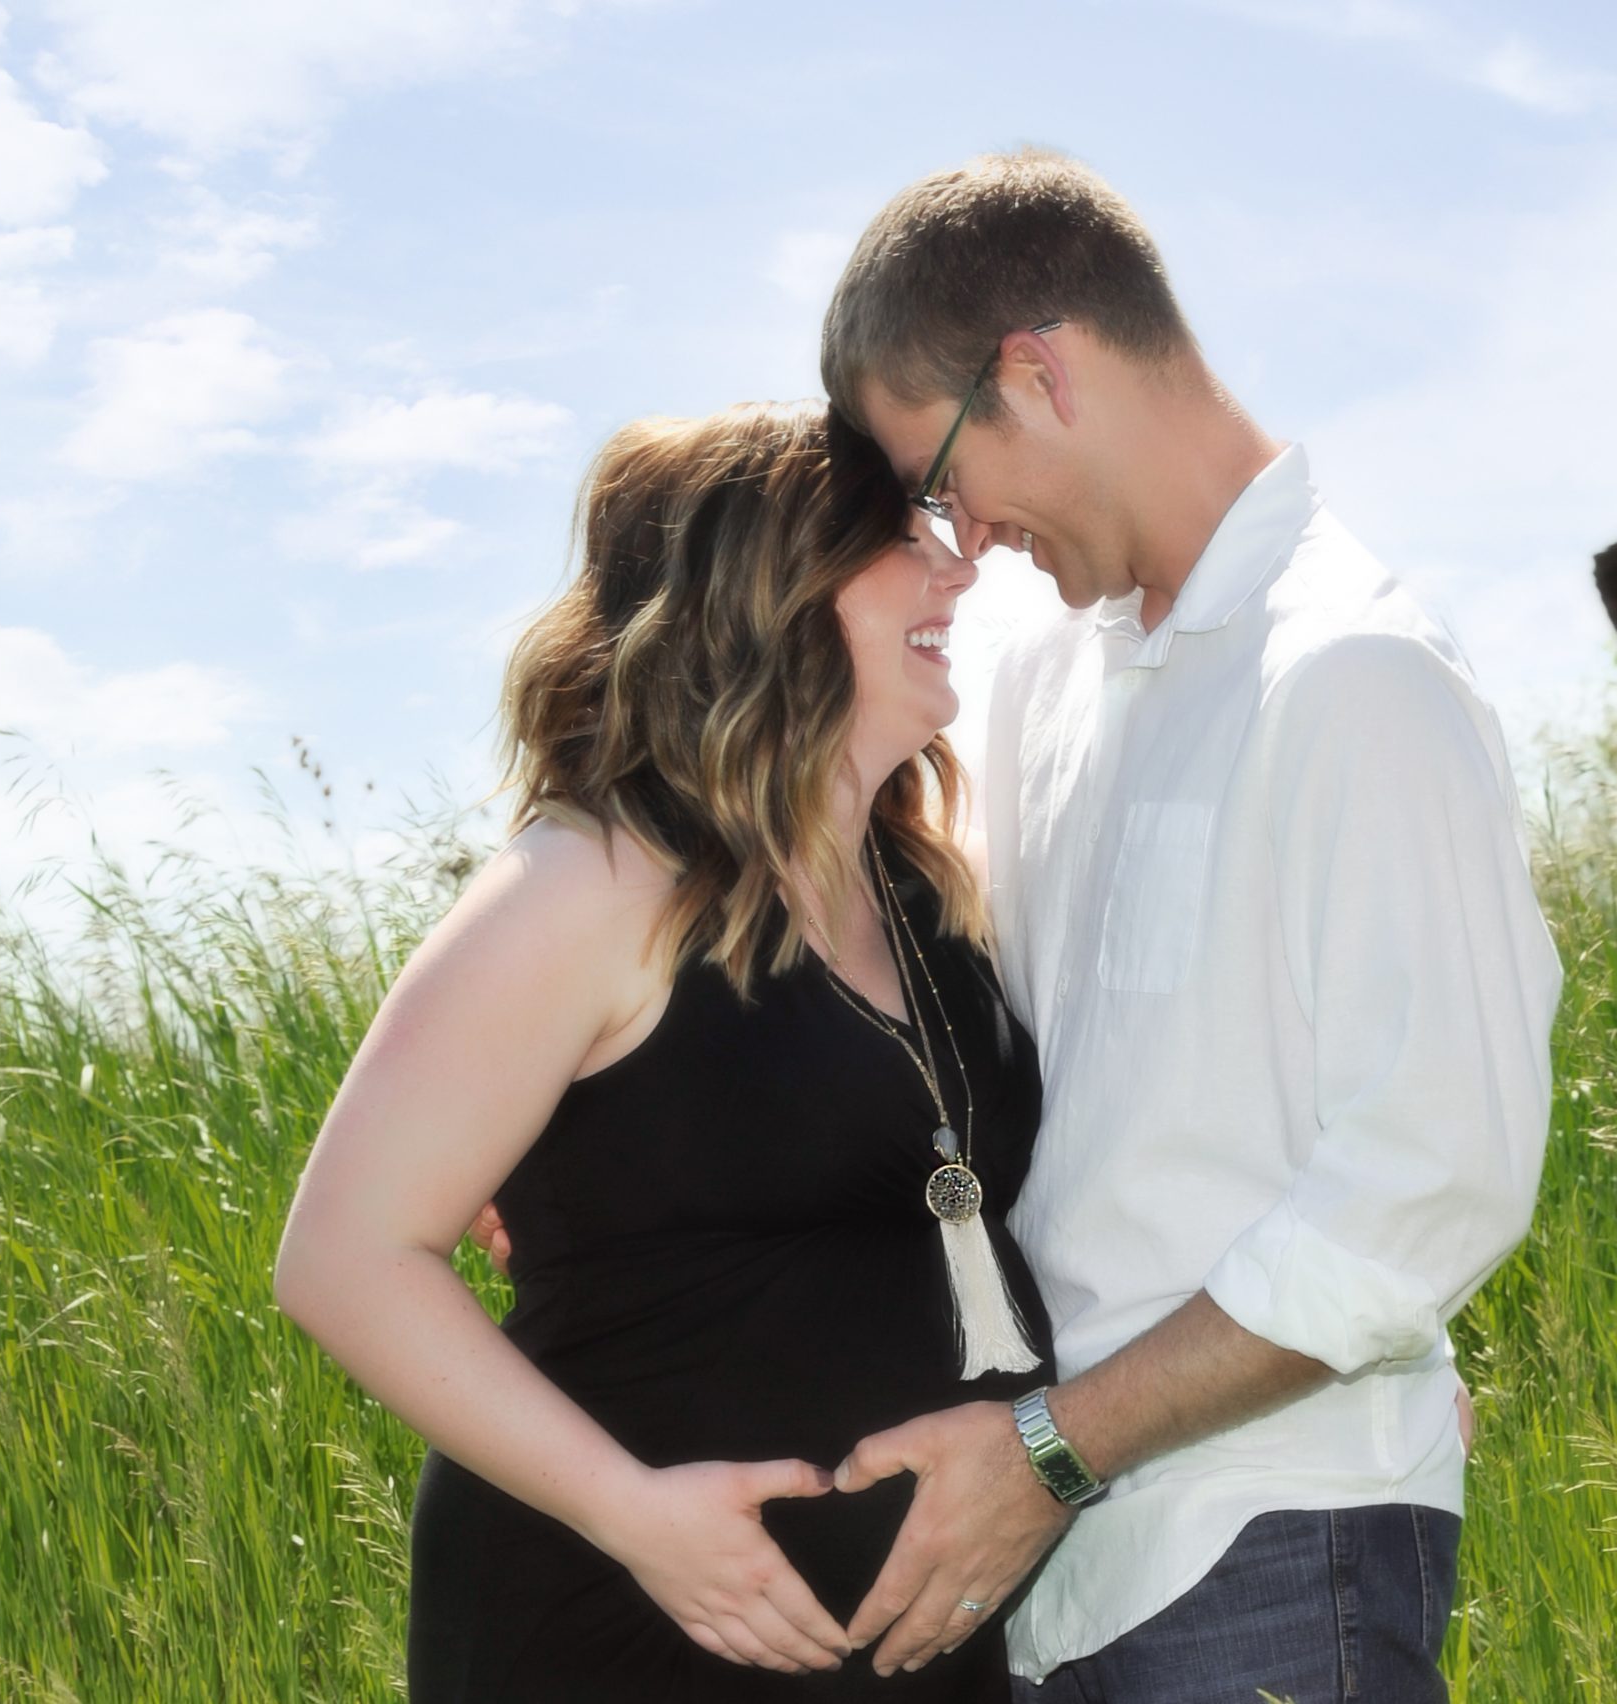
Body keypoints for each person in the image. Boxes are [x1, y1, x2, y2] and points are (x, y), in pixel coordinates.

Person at [811, 151, 1564, 1700]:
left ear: (1039, 372)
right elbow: (912, 1004)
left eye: (943, 479)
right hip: (1061, 1570)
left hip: (1274, 1545)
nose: (955, 540)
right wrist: (591, 1120)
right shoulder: (1041, 681)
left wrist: (1051, 1452)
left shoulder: (1356, 675)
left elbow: (1432, 1180)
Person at [274, 400, 1056, 1702]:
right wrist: (634, 1513)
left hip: (906, 1645)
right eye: (901, 539)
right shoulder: (594, 883)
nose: (958, 566)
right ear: (769, 590)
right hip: (627, 1626)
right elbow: (344, 1260)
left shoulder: (927, 892)